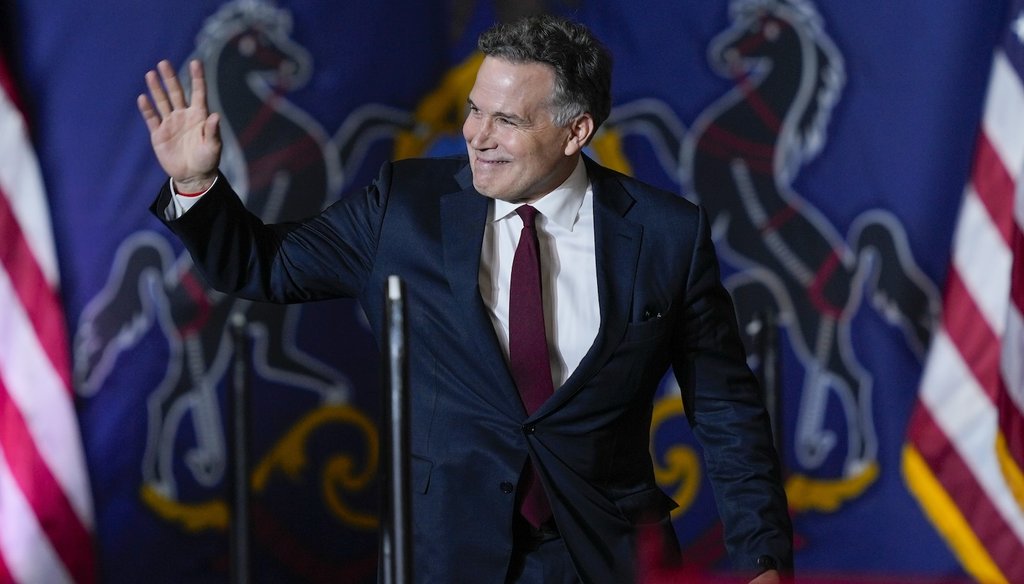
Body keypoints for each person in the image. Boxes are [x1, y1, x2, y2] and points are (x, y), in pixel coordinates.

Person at [138, 14, 792, 584]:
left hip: (606, 557)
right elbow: (264, 267)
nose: (477, 135)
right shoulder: (404, 206)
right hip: (447, 555)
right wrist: (198, 184)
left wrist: (762, 556)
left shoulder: (666, 234)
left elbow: (727, 407)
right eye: (475, 109)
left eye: (506, 120)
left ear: (576, 132)